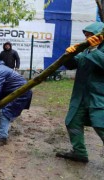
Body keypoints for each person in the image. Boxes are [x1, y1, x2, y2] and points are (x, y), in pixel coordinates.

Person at [55, 22, 104, 163]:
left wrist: (95, 50)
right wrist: (69, 55)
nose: (87, 38)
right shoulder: (87, 50)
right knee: (72, 122)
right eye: (86, 36)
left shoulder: (96, 50)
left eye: (91, 35)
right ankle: (79, 153)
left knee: (101, 126)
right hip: (81, 97)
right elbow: (74, 64)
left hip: (99, 97)